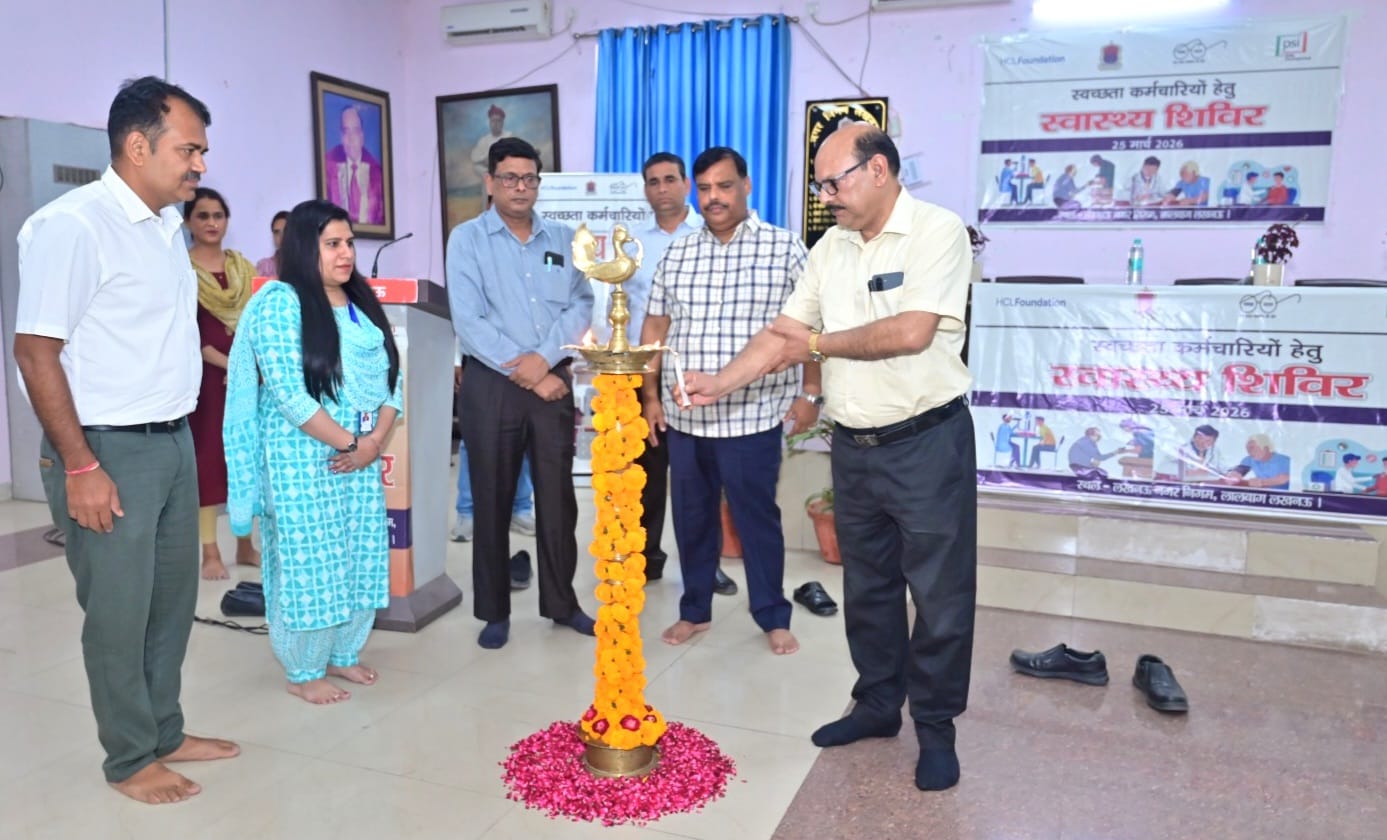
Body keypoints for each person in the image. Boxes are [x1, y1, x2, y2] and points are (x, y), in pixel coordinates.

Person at [680, 124, 977, 792]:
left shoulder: (936, 231)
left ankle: (935, 728)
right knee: (868, 590)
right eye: (818, 185)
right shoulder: (829, 248)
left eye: (832, 182)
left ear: (878, 171)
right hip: (855, 447)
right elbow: (784, 333)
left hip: (927, 443)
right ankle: (877, 705)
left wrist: (815, 345)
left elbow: (911, 331)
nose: (825, 196)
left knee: (939, 596)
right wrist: (719, 382)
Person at [13, 75, 238, 805]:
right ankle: (130, 758)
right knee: (119, 612)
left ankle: (163, 730)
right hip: (105, 449)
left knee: (170, 602)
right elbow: (35, 352)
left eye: (201, 151)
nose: (200, 164)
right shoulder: (72, 226)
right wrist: (80, 464)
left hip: (171, 440)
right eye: (189, 149)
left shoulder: (166, 227)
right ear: (138, 146)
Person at [641, 146, 818, 656]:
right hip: (686, 417)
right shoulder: (679, 253)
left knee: (756, 520)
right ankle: (694, 611)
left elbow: (812, 327)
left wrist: (811, 392)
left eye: (724, 186)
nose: (713, 197)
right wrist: (650, 395)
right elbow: (656, 326)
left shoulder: (784, 249)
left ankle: (772, 615)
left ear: (746, 186)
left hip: (752, 416)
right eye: (705, 189)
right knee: (691, 520)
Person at [224, 199, 401, 705]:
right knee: (311, 566)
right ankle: (303, 670)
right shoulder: (280, 303)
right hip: (301, 458)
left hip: (358, 456)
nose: (346, 254)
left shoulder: (361, 302)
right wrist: (354, 444)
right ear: (305, 247)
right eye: (332, 244)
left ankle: (342, 652)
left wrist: (372, 443)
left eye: (349, 243)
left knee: (359, 555)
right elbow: (290, 395)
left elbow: (393, 380)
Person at [446, 137, 595, 650]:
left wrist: (545, 359)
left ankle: (562, 604)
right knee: (492, 499)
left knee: (558, 501)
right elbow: (469, 320)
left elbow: (581, 302)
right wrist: (529, 369)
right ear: (490, 182)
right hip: (492, 385)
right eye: (509, 178)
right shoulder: (467, 240)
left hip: (551, 382)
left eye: (529, 178)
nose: (520, 187)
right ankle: (494, 612)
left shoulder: (562, 238)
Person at [622, 151, 735, 596]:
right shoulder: (630, 244)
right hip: (645, 376)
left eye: (670, 179)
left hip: (700, 375)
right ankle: (646, 558)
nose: (662, 188)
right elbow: (617, 309)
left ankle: (707, 566)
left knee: (704, 478)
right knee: (646, 475)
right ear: (645, 189)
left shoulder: (713, 234)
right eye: (653, 181)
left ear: (686, 185)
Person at [184, 186, 260, 579]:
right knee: (209, 462)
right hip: (206, 382)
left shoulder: (243, 269)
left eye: (218, 215)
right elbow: (187, 333)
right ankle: (210, 552)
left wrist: (246, 366)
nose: (212, 223)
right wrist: (230, 363)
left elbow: (257, 323)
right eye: (203, 215)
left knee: (246, 459)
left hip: (246, 379)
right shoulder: (181, 270)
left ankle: (246, 544)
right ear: (188, 222)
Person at [324, 104, 385, 226]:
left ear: (362, 136)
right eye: (346, 132)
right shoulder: (328, 165)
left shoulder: (377, 173)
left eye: (355, 131)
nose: (351, 138)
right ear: (341, 137)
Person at [1224, 433, 1291, 489]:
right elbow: (1240, 470)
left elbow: (1284, 479)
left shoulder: (1284, 460)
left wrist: (1262, 482)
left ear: (1266, 448)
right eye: (1247, 448)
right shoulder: (1249, 459)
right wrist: (1233, 476)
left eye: (1252, 448)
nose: (1249, 452)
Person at [470, 104, 514, 181]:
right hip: (489, 172)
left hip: (505, 170)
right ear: (490, 123)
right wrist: (486, 158)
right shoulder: (484, 140)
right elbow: (474, 158)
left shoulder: (509, 136)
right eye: (493, 121)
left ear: (502, 123)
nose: (495, 124)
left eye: (498, 121)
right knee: (477, 167)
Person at [254, 209, 288, 276]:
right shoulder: (264, 267)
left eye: (286, 231)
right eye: (277, 232)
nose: (281, 236)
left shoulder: (305, 266)